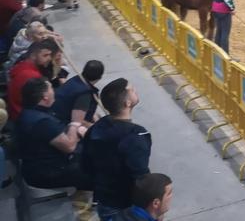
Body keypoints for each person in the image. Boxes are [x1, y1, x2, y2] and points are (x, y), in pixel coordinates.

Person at [16, 77, 93, 220]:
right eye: (51, 88)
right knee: (99, 170)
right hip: (47, 173)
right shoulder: (42, 121)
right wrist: (75, 123)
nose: (54, 91)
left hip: (36, 166)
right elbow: (69, 146)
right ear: (45, 97)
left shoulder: (29, 113)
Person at [83, 78, 152, 220]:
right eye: (132, 90)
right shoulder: (135, 135)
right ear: (127, 103)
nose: (135, 90)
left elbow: (86, 163)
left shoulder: (97, 127)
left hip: (104, 199)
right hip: (125, 205)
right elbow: (141, 177)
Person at [8, 38, 56, 120]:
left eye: (50, 55)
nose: (49, 59)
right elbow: (41, 102)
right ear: (33, 55)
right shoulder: (33, 76)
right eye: (45, 55)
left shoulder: (22, 65)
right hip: (22, 114)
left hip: (15, 109)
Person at [52, 60, 104, 127]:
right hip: (62, 125)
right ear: (100, 77)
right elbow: (77, 122)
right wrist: (97, 128)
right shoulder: (85, 94)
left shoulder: (75, 80)